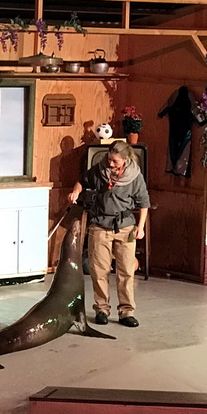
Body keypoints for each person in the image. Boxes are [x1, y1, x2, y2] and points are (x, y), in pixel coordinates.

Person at [67, 140, 149, 327]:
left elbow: (144, 203)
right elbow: (82, 181)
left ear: (126, 160)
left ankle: (126, 312)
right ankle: (102, 309)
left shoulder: (135, 176)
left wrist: (141, 227)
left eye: (115, 162)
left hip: (125, 226)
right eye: (109, 159)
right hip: (100, 225)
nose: (110, 164)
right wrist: (75, 192)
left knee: (126, 271)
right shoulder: (99, 170)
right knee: (99, 270)